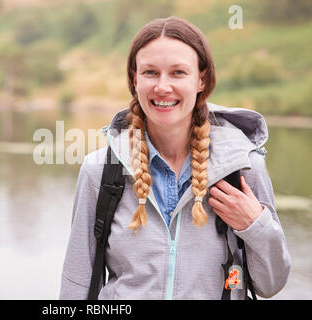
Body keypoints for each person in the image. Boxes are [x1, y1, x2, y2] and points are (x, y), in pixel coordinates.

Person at [59, 16, 291, 300]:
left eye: (178, 73)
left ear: (201, 79)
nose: (162, 87)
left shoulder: (243, 167)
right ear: (134, 79)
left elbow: (271, 285)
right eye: (150, 73)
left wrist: (255, 225)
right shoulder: (99, 171)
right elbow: (76, 284)